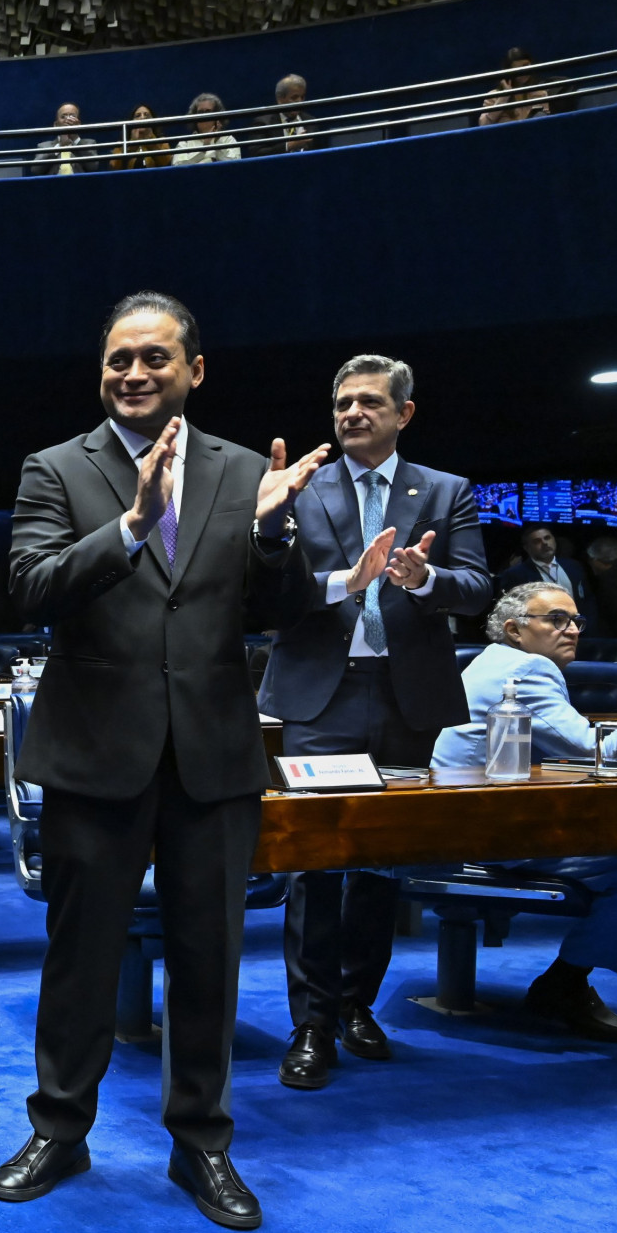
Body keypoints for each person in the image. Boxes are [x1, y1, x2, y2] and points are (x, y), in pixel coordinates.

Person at [0, 291, 328, 1229]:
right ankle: (60, 1127)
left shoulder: (240, 471)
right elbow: (29, 587)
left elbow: (282, 609)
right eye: (117, 361)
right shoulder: (56, 468)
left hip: (214, 756)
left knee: (210, 960)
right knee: (81, 960)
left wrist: (271, 534)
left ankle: (203, 1144)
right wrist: (132, 526)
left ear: (195, 370)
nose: (133, 374)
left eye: (153, 359)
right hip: (95, 756)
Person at [255, 355, 492, 1090]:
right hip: (321, 697)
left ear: (403, 413)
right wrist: (270, 529)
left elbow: (478, 586)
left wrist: (426, 579)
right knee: (315, 862)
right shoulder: (301, 488)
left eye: (368, 402)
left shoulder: (445, 491)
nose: (352, 413)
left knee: (381, 859)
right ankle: (312, 1021)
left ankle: (358, 1002)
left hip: (405, 695)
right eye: (342, 402)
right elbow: (268, 591)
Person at [432, 582, 617, 1039]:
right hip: (484, 833)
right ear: (515, 630)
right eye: (556, 619)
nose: (571, 629)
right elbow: (584, 745)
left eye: (576, 620)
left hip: (470, 819)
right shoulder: (526, 668)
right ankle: (565, 983)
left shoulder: (493, 661)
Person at [496, 526, 599, 631]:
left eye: (547, 538)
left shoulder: (573, 566)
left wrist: (588, 626)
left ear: (554, 540)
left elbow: (588, 599)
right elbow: (510, 609)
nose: (545, 543)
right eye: (537, 541)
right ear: (527, 548)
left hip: (578, 630)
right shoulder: (515, 574)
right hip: (541, 633)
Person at [246, 74, 320, 157]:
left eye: (302, 97)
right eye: (294, 97)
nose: (300, 102)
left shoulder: (310, 121)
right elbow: (256, 153)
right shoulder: (263, 123)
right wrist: (289, 146)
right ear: (280, 99)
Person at [479, 47, 551, 126]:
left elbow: (546, 124)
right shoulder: (493, 96)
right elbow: (483, 125)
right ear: (509, 72)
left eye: (525, 66)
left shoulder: (540, 94)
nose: (523, 72)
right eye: (517, 69)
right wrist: (503, 99)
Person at [171, 93, 240, 164]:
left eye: (208, 111)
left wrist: (218, 143)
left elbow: (234, 165)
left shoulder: (228, 139)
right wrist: (204, 148)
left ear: (217, 115)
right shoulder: (185, 143)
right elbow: (177, 166)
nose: (204, 115)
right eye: (200, 112)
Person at [34, 102, 96, 174]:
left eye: (72, 116)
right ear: (56, 125)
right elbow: (36, 170)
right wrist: (59, 146)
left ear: (78, 124)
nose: (68, 120)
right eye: (63, 117)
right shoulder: (44, 146)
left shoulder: (90, 143)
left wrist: (75, 138)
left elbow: (93, 167)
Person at [110, 104, 171, 170]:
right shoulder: (121, 145)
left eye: (146, 115)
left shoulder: (162, 142)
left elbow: (167, 163)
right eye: (138, 115)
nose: (142, 118)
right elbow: (114, 167)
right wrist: (132, 143)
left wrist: (151, 141)